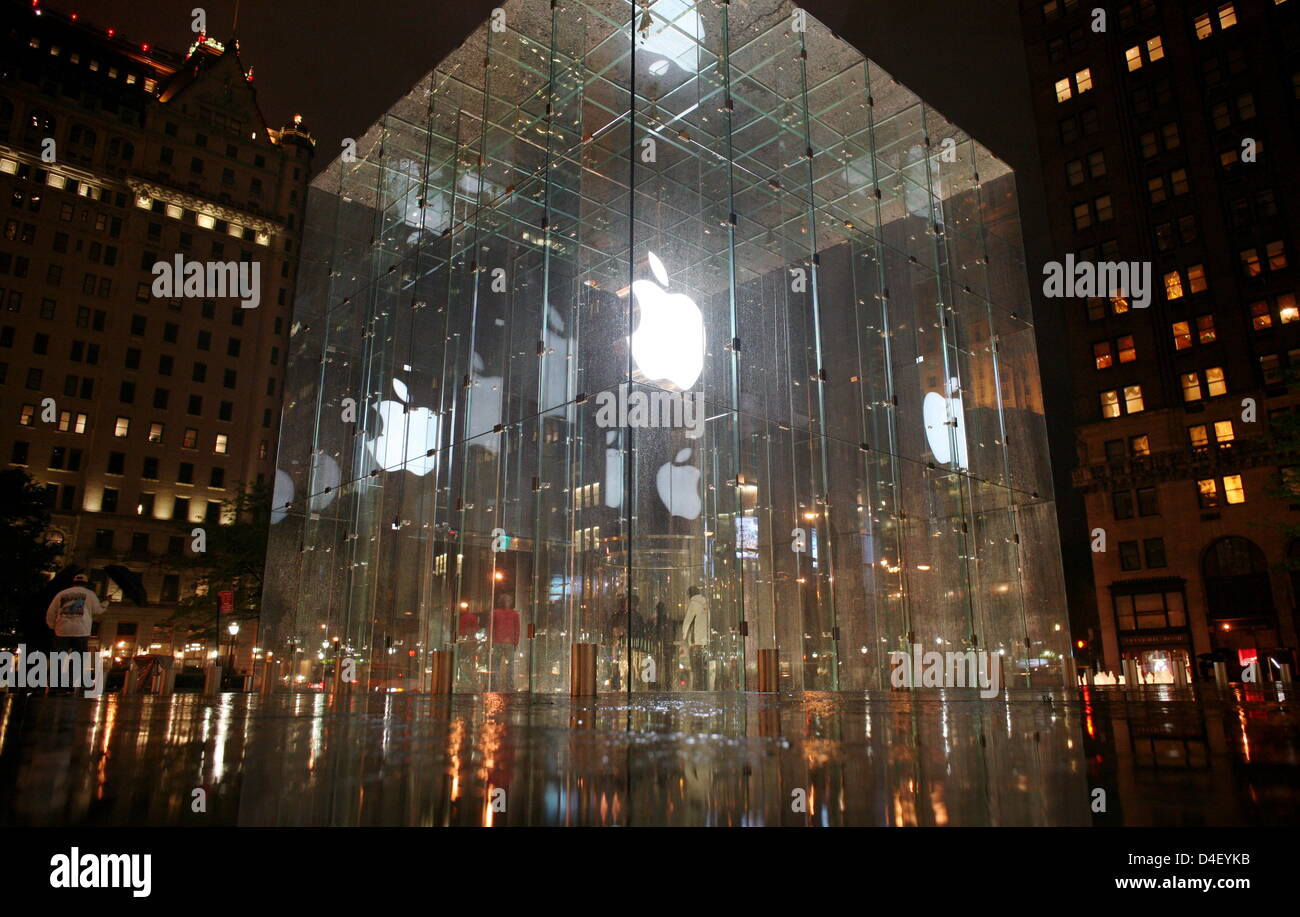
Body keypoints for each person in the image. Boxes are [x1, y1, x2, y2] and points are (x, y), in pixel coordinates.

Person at [45, 573, 104, 657]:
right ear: (86, 584)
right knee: (78, 659)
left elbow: (51, 612)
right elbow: (98, 610)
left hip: (62, 630)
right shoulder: (90, 594)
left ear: (73, 583)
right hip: (81, 631)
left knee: (59, 658)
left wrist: (53, 626)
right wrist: (106, 602)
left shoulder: (61, 594)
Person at [489, 592, 521, 691]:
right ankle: (510, 686)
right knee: (510, 666)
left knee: (496, 665)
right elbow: (517, 629)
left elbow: (491, 628)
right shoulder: (514, 614)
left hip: (497, 642)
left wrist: (490, 641)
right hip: (509, 643)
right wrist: (516, 642)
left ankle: (495, 686)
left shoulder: (495, 613)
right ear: (510, 602)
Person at [681, 585, 711, 690]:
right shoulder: (706, 604)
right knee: (704, 667)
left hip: (695, 642)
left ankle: (697, 688)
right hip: (705, 641)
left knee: (695, 667)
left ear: (690, 594)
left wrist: (684, 636)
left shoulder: (693, 604)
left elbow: (687, 622)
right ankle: (704, 687)